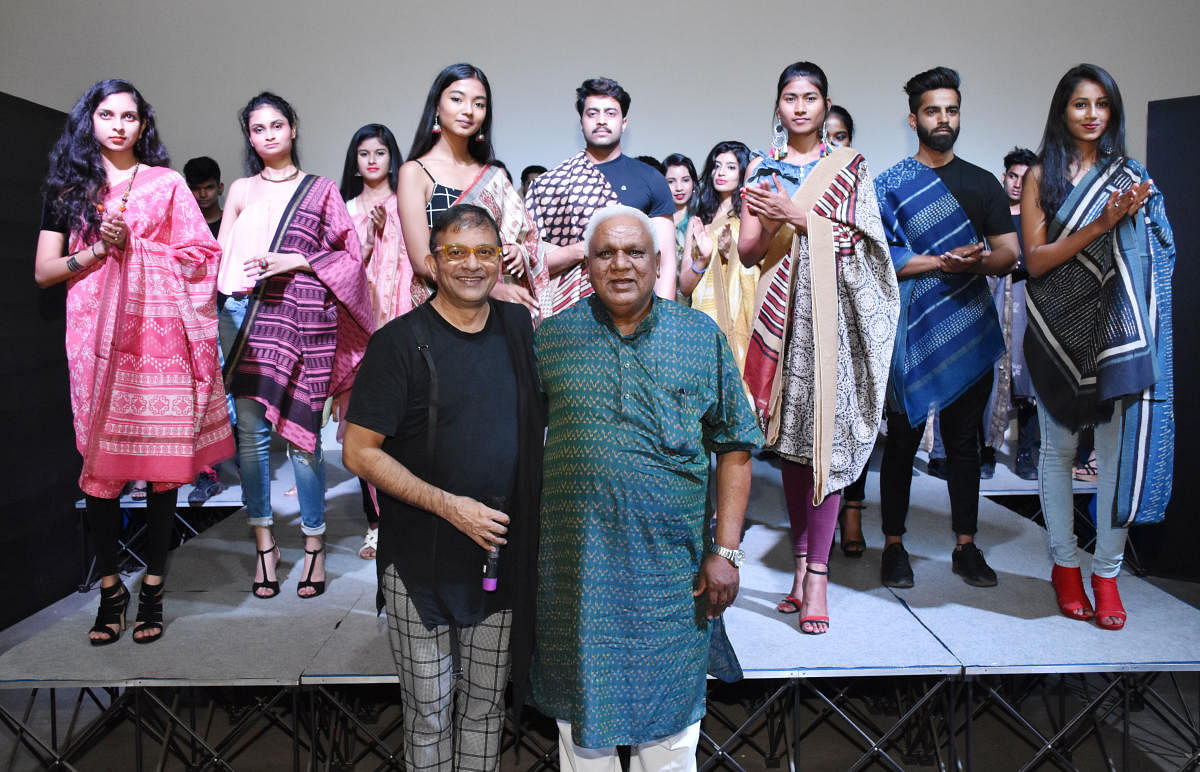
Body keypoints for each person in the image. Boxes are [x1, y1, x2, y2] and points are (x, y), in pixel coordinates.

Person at [534, 204, 761, 767]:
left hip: (672, 581)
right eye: (605, 253)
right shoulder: (552, 340)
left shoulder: (698, 337)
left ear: (658, 263)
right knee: (585, 737)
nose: (620, 264)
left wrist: (726, 551)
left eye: (635, 252)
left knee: (668, 743)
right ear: (585, 265)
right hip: (578, 581)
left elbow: (735, 446)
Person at [343, 204, 544, 770]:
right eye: (456, 252)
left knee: (484, 708)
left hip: (497, 555)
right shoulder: (398, 343)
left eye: (485, 251)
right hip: (419, 559)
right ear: (432, 262)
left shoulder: (515, 328)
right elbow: (360, 452)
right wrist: (449, 506)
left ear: (502, 260)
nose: (472, 264)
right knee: (429, 711)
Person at [35, 79, 233, 644]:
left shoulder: (167, 185)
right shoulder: (71, 189)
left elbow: (202, 256)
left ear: (143, 125)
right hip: (92, 333)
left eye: (130, 116)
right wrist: (102, 247)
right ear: (89, 121)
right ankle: (109, 586)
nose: (119, 124)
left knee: (159, 460)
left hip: (156, 338)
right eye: (107, 114)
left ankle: (153, 584)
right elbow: (45, 271)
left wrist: (142, 249)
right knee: (100, 467)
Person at [738, 62, 898, 633]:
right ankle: (799, 566)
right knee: (789, 444)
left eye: (810, 98)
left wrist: (805, 217)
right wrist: (766, 213)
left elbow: (870, 243)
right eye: (789, 98)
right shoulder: (763, 167)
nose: (800, 107)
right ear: (777, 106)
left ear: (826, 105)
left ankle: (819, 574)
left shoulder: (850, 167)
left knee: (826, 442)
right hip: (779, 317)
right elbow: (751, 253)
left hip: (831, 322)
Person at [1022, 64, 1174, 630]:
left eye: (1102, 104)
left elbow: (1157, 255)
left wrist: (1145, 218)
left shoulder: (1129, 175)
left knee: (1115, 457)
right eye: (1081, 104)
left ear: (1113, 112)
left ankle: (1106, 573)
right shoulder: (1042, 175)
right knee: (1058, 453)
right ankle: (1065, 566)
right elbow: (1035, 260)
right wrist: (1102, 223)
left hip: (1116, 330)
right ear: (1063, 110)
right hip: (1056, 327)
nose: (1091, 115)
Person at [218, 91, 372, 600]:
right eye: (258, 129)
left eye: (276, 125)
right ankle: (265, 543)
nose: (268, 135)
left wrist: (297, 262)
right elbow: (221, 262)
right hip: (244, 317)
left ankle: (313, 546)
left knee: (304, 443)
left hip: (303, 321)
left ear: (293, 128)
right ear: (250, 137)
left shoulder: (322, 190)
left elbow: (349, 260)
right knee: (252, 441)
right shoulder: (240, 190)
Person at [874, 67, 1019, 589]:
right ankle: (893, 545)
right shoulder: (889, 184)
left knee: (963, 443)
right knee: (903, 438)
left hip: (968, 327)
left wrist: (976, 262)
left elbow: (1009, 252)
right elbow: (880, 257)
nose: (943, 119)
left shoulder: (981, 182)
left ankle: (966, 545)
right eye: (933, 110)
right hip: (910, 328)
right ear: (914, 118)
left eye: (951, 110)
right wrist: (941, 262)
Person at [396, 63, 547, 319]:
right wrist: (488, 289)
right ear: (437, 106)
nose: (468, 111)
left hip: (496, 315)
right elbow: (423, 262)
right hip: (441, 313)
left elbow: (527, 240)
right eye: (457, 99)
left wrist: (517, 252)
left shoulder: (494, 177)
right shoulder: (415, 172)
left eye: (479, 104)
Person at [524, 77, 677, 316]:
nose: (602, 120)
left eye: (611, 113)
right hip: (568, 316)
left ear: (624, 122)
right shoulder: (551, 185)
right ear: (581, 122)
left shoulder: (650, 179)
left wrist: (666, 319)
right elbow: (528, 262)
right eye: (592, 113)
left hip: (637, 313)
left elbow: (664, 262)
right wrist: (582, 250)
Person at [339, 123, 408, 560]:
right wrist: (367, 238)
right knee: (365, 429)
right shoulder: (345, 209)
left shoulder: (407, 204)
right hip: (359, 331)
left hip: (400, 327)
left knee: (405, 429)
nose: (371, 161)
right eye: (363, 153)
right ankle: (376, 524)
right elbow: (342, 272)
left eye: (379, 153)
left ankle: (408, 521)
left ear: (391, 157)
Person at [820, 105, 872, 559]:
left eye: (841, 138)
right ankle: (815, 541)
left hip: (853, 312)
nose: (833, 145)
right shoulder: (800, 179)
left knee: (853, 421)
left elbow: (871, 248)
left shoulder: (858, 182)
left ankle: (852, 515)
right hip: (806, 315)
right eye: (827, 137)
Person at [679, 141, 758, 371]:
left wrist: (732, 253)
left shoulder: (751, 217)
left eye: (731, 167)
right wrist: (702, 259)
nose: (721, 172)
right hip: (703, 318)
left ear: (744, 172)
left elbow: (762, 268)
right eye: (717, 165)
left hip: (738, 321)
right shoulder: (699, 221)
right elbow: (684, 287)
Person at [183, 155, 230, 505]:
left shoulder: (232, 221)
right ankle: (207, 471)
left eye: (208, 188)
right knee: (199, 391)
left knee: (231, 389)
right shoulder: (184, 226)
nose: (203, 196)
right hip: (194, 316)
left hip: (230, 313)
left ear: (220, 187)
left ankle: (233, 460)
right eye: (196, 190)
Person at [1001, 146, 1041, 480]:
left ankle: (1027, 452)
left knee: (1029, 377)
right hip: (995, 295)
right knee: (990, 375)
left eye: (1024, 179)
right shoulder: (993, 212)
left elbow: (1040, 259)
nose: (1017, 184)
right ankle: (985, 450)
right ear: (1004, 177)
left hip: (1029, 297)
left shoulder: (1039, 215)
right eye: (1012, 176)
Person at [663, 152, 699, 302]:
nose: (679, 188)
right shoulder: (655, 222)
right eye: (671, 181)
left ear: (693, 184)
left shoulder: (702, 220)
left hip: (692, 304)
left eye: (685, 180)